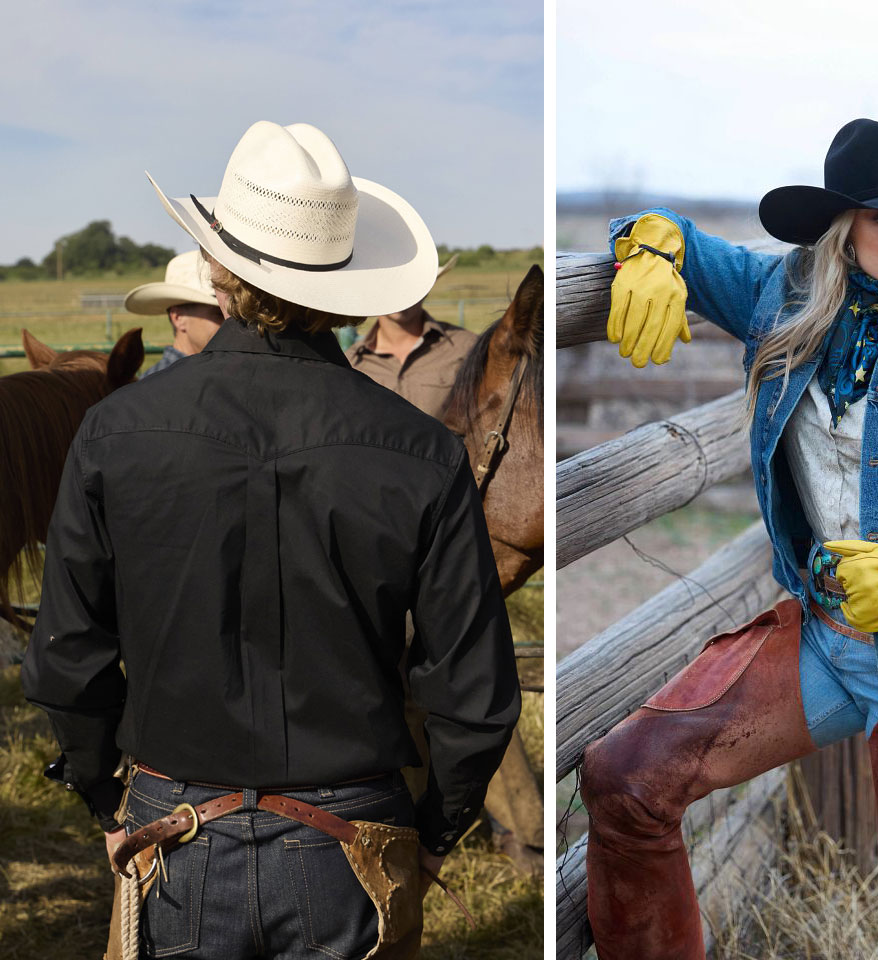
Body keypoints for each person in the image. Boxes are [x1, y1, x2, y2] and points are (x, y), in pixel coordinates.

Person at [577, 115, 878, 960]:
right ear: (842, 230)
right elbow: (675, 236)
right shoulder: (783, 298)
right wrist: (646, 249)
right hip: (827, 639)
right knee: (626, 778)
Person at [23, 120, 519, 959]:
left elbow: (69, 653)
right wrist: (437, 832)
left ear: (215, 270)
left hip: (171, 829)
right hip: (353, 840)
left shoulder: (114, 432)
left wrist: (105, 801)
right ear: (344, 286)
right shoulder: (422, 451)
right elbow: (470, 690)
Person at [348, 257, 477, 415]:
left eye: (409, 284)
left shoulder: (468, 348)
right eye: (389, 285)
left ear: (427, 287)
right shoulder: (351, 364)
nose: (400, 294)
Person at [123, 250, 223, 377]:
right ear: (178, 318)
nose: (230, 322)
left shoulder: (154, 384)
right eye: (218, 314)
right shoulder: (159, 386)